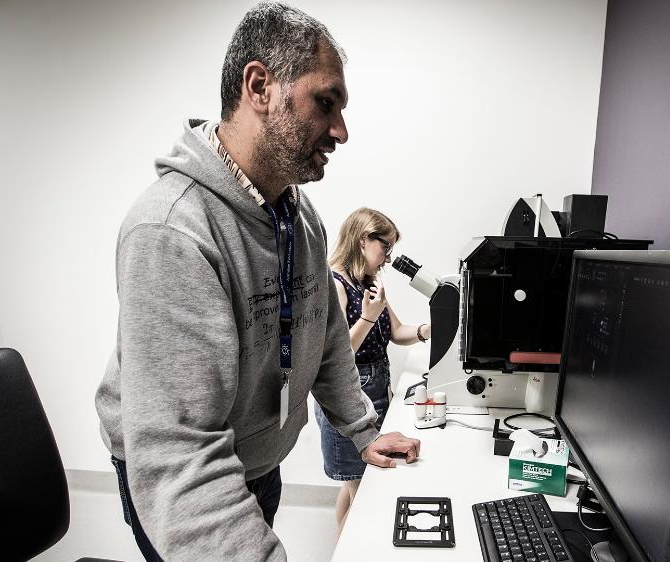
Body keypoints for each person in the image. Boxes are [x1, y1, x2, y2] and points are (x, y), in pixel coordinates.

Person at [93, 3, 420, 560]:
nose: (340, 130)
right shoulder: (172, 231)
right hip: (182, 476)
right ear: (259, 86)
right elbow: (181, 459)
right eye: (326, 103)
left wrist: (364, 431)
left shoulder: (299, 214)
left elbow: (325, 336)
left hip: (258, 461)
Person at [318, 208, 432, 532]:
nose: (387, 258)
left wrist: (430, 328)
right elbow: (337, 354)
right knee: (360, 493)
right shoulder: (335, 284)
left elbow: (396, 331)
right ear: (364, 239)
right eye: (385, 247)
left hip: (375, 386)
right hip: (348, 396)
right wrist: (368, 316)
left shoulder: (366, 282)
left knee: (352, 485)